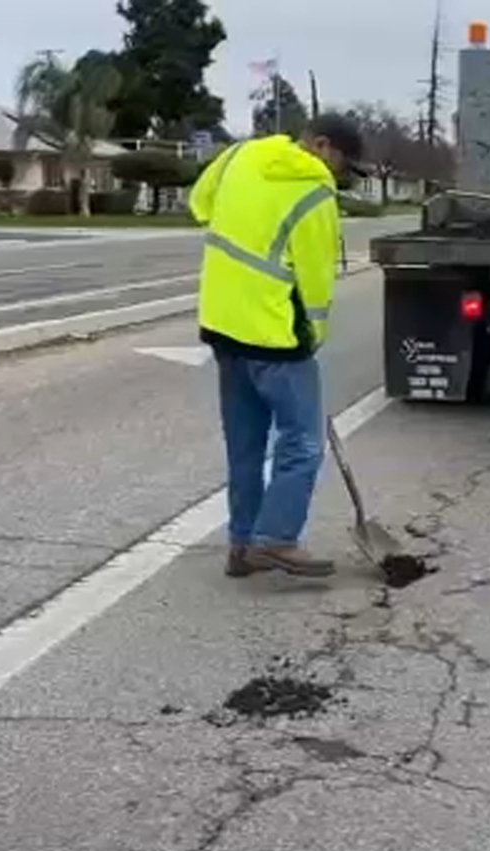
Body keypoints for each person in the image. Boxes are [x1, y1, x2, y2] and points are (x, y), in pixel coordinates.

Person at [188, 114, 368, 578]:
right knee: (303, 442)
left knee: (245, 446)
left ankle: (242, 544)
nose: (343, 177)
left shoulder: (239, 155)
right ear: (324, 146)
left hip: (223, 323)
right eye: (345, 166)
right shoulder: (314, 188)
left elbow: (199, 204)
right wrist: (314, 334)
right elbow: (314, 272)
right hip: (275, 333)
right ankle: (277, 539)